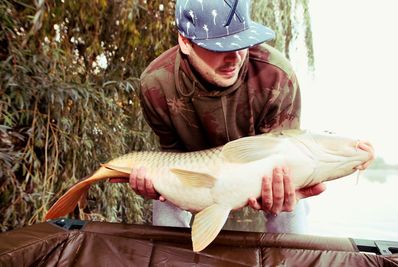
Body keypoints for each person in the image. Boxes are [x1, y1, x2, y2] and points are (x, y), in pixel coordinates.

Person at [128, 0, 375, 233]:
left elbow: (283, 156)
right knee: (165, 206)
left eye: (242, 41)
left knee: (289, 209)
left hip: (258, 169)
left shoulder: (277, 75)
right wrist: (155, 183)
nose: (235, 57)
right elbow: (173, 154)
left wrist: (294, 190)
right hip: (193, 168)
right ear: (185, 42)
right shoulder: (156, 82)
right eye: (220, 45)